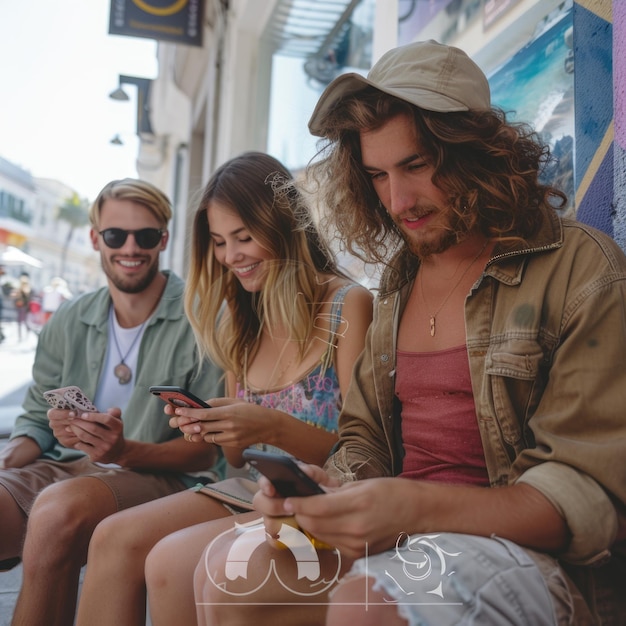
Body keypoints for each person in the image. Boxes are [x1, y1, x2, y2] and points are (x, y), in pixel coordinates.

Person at [194, 41, 626, 625]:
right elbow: (364, 441)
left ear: (476, 149)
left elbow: (587, 500)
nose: (398, 201)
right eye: (376, 175)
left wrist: (413, 505)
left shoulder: (581, 268)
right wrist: (325, 488)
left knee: (363, 604)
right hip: (400, 538)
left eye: (416, 166)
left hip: (531, 560)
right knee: (226, 572)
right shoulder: (398, 284)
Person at [74, 152, 373, 626]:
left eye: (243, 237)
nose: (231, 257)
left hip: (322, 498)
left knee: (169, 561)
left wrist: (270, 424)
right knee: (111, 536)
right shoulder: (242, 318)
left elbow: (363, 452)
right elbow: (237, 459)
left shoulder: (346, 306)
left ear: (282, 226)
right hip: (252, 489)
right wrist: (216, 427)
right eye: (218, 242)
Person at [0, 178, 224, 626]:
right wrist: (8, 460)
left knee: (58, 512)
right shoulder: (70, 316)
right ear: (95, 238)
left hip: (163, 476)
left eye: (145, 236)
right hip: (67, 465)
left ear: (163, 239)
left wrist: (123, 451)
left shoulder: (203, 317)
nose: (130, 247)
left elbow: (207, 450)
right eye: (115, 235)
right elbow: (35, 422)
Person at [11, 271, 32, 341]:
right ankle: (21, 336)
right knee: (21, 322)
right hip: (20, 307)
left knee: (23, 322)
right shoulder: (19, 289)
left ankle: (26, 333)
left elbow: (27, 299)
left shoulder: (26, 289)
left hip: (24, 307)